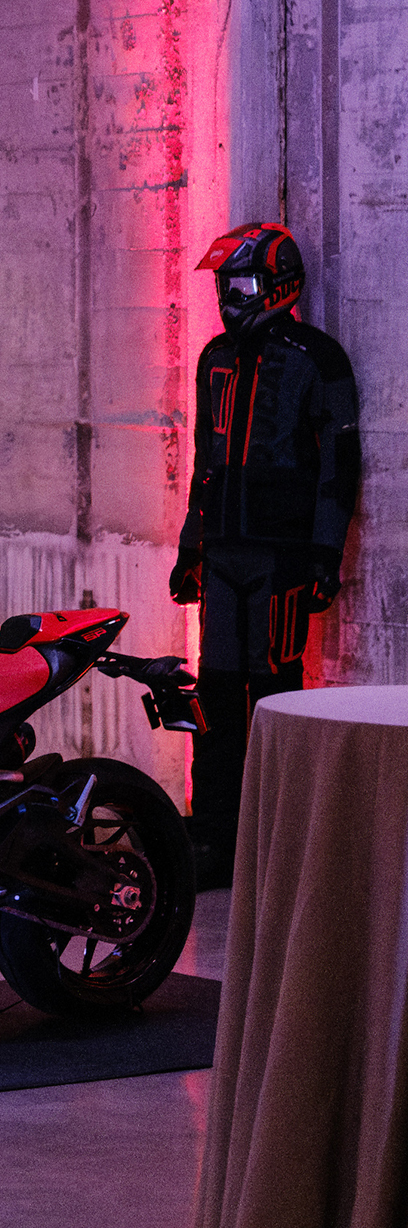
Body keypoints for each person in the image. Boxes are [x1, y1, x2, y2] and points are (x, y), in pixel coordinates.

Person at [168, 222, 360, 889]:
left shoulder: (318, 358)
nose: (229, 296)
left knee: (276, 694)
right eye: (224, 284)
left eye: (240, 283)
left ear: (279, 286)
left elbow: (340, 463)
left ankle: (283, 841)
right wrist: (191, 547)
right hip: (224, 554)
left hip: (280, 560)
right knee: (214, 697)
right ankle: (212, 837)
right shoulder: (214, 358)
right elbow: (205, 458)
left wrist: (324, 555)